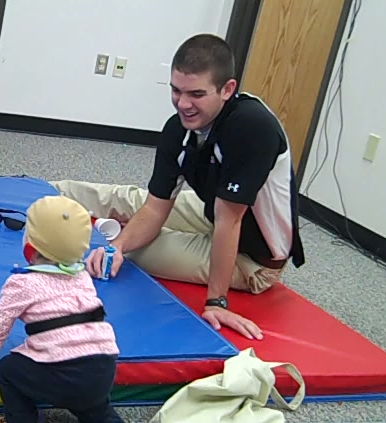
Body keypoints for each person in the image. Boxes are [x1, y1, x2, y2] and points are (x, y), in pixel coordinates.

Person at [51, 34, 305, 340]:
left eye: (196, 94)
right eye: (176, 90)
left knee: (139, 253)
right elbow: (155, 208)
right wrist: (118, 246)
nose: (183, 104)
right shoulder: (178, 129)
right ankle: (41, 190)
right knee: (129, 200)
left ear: (227, 89)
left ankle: (111, 235)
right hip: (213, 212)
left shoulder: (253, 128)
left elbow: (230, 220)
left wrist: (217, 303)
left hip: (251, 258)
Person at [0, 195, 144, 423]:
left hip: (61, 371)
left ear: (29, 248)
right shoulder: (81, 276)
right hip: (103, 366)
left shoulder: (22, 282)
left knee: (9, 368)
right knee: (93, 404)